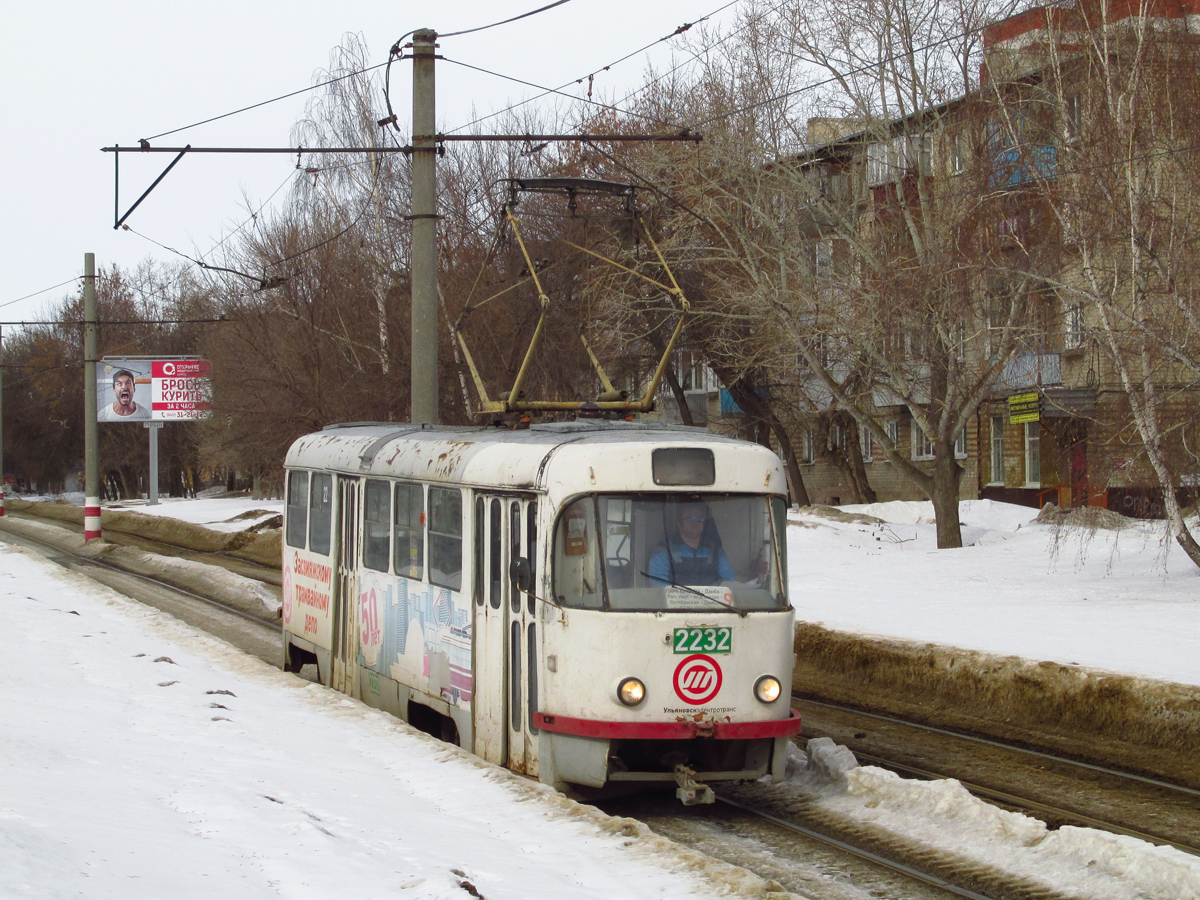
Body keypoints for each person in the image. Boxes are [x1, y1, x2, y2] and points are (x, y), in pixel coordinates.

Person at [647, 501, 736, 586]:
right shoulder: (664, 550)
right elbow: (659, 584)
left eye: (699, 519)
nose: (695, 523)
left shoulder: (715, 550)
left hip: (711, 597)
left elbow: (729, 580)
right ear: (679, 524)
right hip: (677, 597)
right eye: (690, 519)